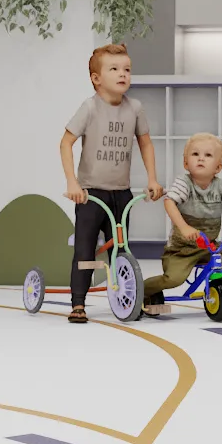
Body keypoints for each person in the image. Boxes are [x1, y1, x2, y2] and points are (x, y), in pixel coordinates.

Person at [60, 43, 163, 324]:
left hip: (121, 192)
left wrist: (152, 178)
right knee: (84, 249)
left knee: (122, 248)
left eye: (127, 69)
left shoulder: (135, 108)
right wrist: (73, 182)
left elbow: (145, 143)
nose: (123, 74)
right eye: (114, 69)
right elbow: (66, 142)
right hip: (91, 194)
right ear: (96, 78)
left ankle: (125, 298)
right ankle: (78, 303)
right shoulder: (90, 107)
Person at [143, 132, 222, 316]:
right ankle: (143, 289)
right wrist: (184, 227)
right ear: (186, 163)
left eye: (208, 155)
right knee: (173, 279)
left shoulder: (221, 186)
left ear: (218, 167)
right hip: (181, 249)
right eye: (195, 154)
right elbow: (169, 202)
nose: (201, 158)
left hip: (208, 247)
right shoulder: (184, 184)